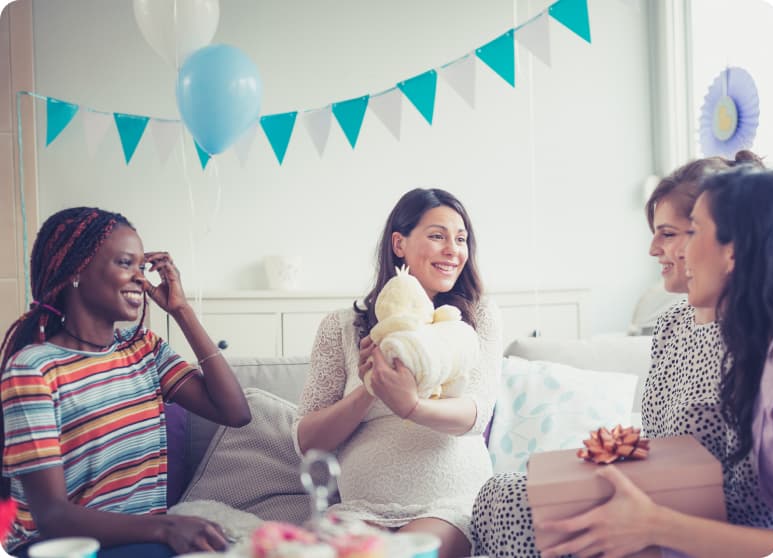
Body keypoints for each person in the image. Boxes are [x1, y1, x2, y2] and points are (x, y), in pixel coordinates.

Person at [470, 151, 773, 557]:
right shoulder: (672, 326)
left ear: (733, 247)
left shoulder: (761, 353)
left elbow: (762, 526)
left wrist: (652, 524)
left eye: (681, 232)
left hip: (705, 532)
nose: (655, 249)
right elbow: (662, 451)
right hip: (661, 504)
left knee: (523, 514)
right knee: (503, 494)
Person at [0, 207, 251, 557]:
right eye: (124, 263)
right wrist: (167, 526)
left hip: (142, 538)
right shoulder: (32, 370)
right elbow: (52, 516)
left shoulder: (142, 348)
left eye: (141, 266)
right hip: (66, 547)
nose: (141, 278)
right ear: (75, 271)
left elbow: (235, 412)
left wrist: (181, 310)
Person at [292, 188, 502, 558]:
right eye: (438, 236)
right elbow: (308, 442)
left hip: (447, 505)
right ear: (399, 244)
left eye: (461, 238)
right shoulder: (341, 328)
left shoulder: (475, 318)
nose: (453, 249)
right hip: (359, 510)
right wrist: (370, 388)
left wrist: (411, 405)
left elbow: (475, 414)